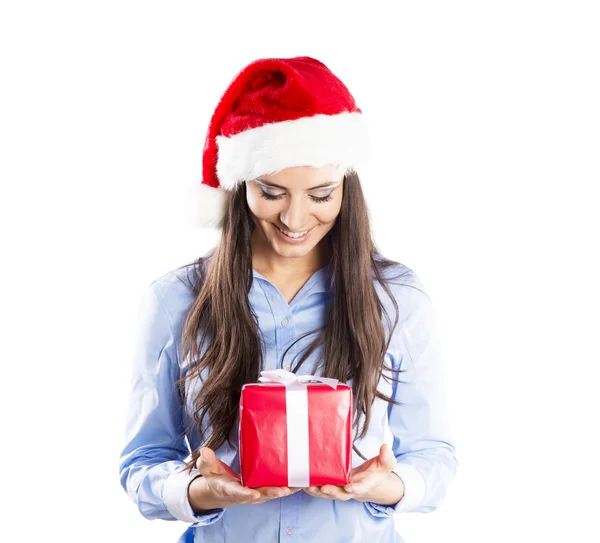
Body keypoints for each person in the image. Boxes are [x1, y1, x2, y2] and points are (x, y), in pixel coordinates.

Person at [118, 56, 458, 543]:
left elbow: (434, 453)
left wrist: (392, 484)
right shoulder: (175, 300)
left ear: (347, 188)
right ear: (239, 187)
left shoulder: (396, 298)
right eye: (271, 191)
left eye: (321, 195)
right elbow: (142, 462)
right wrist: (199, 490)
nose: (295, 218)